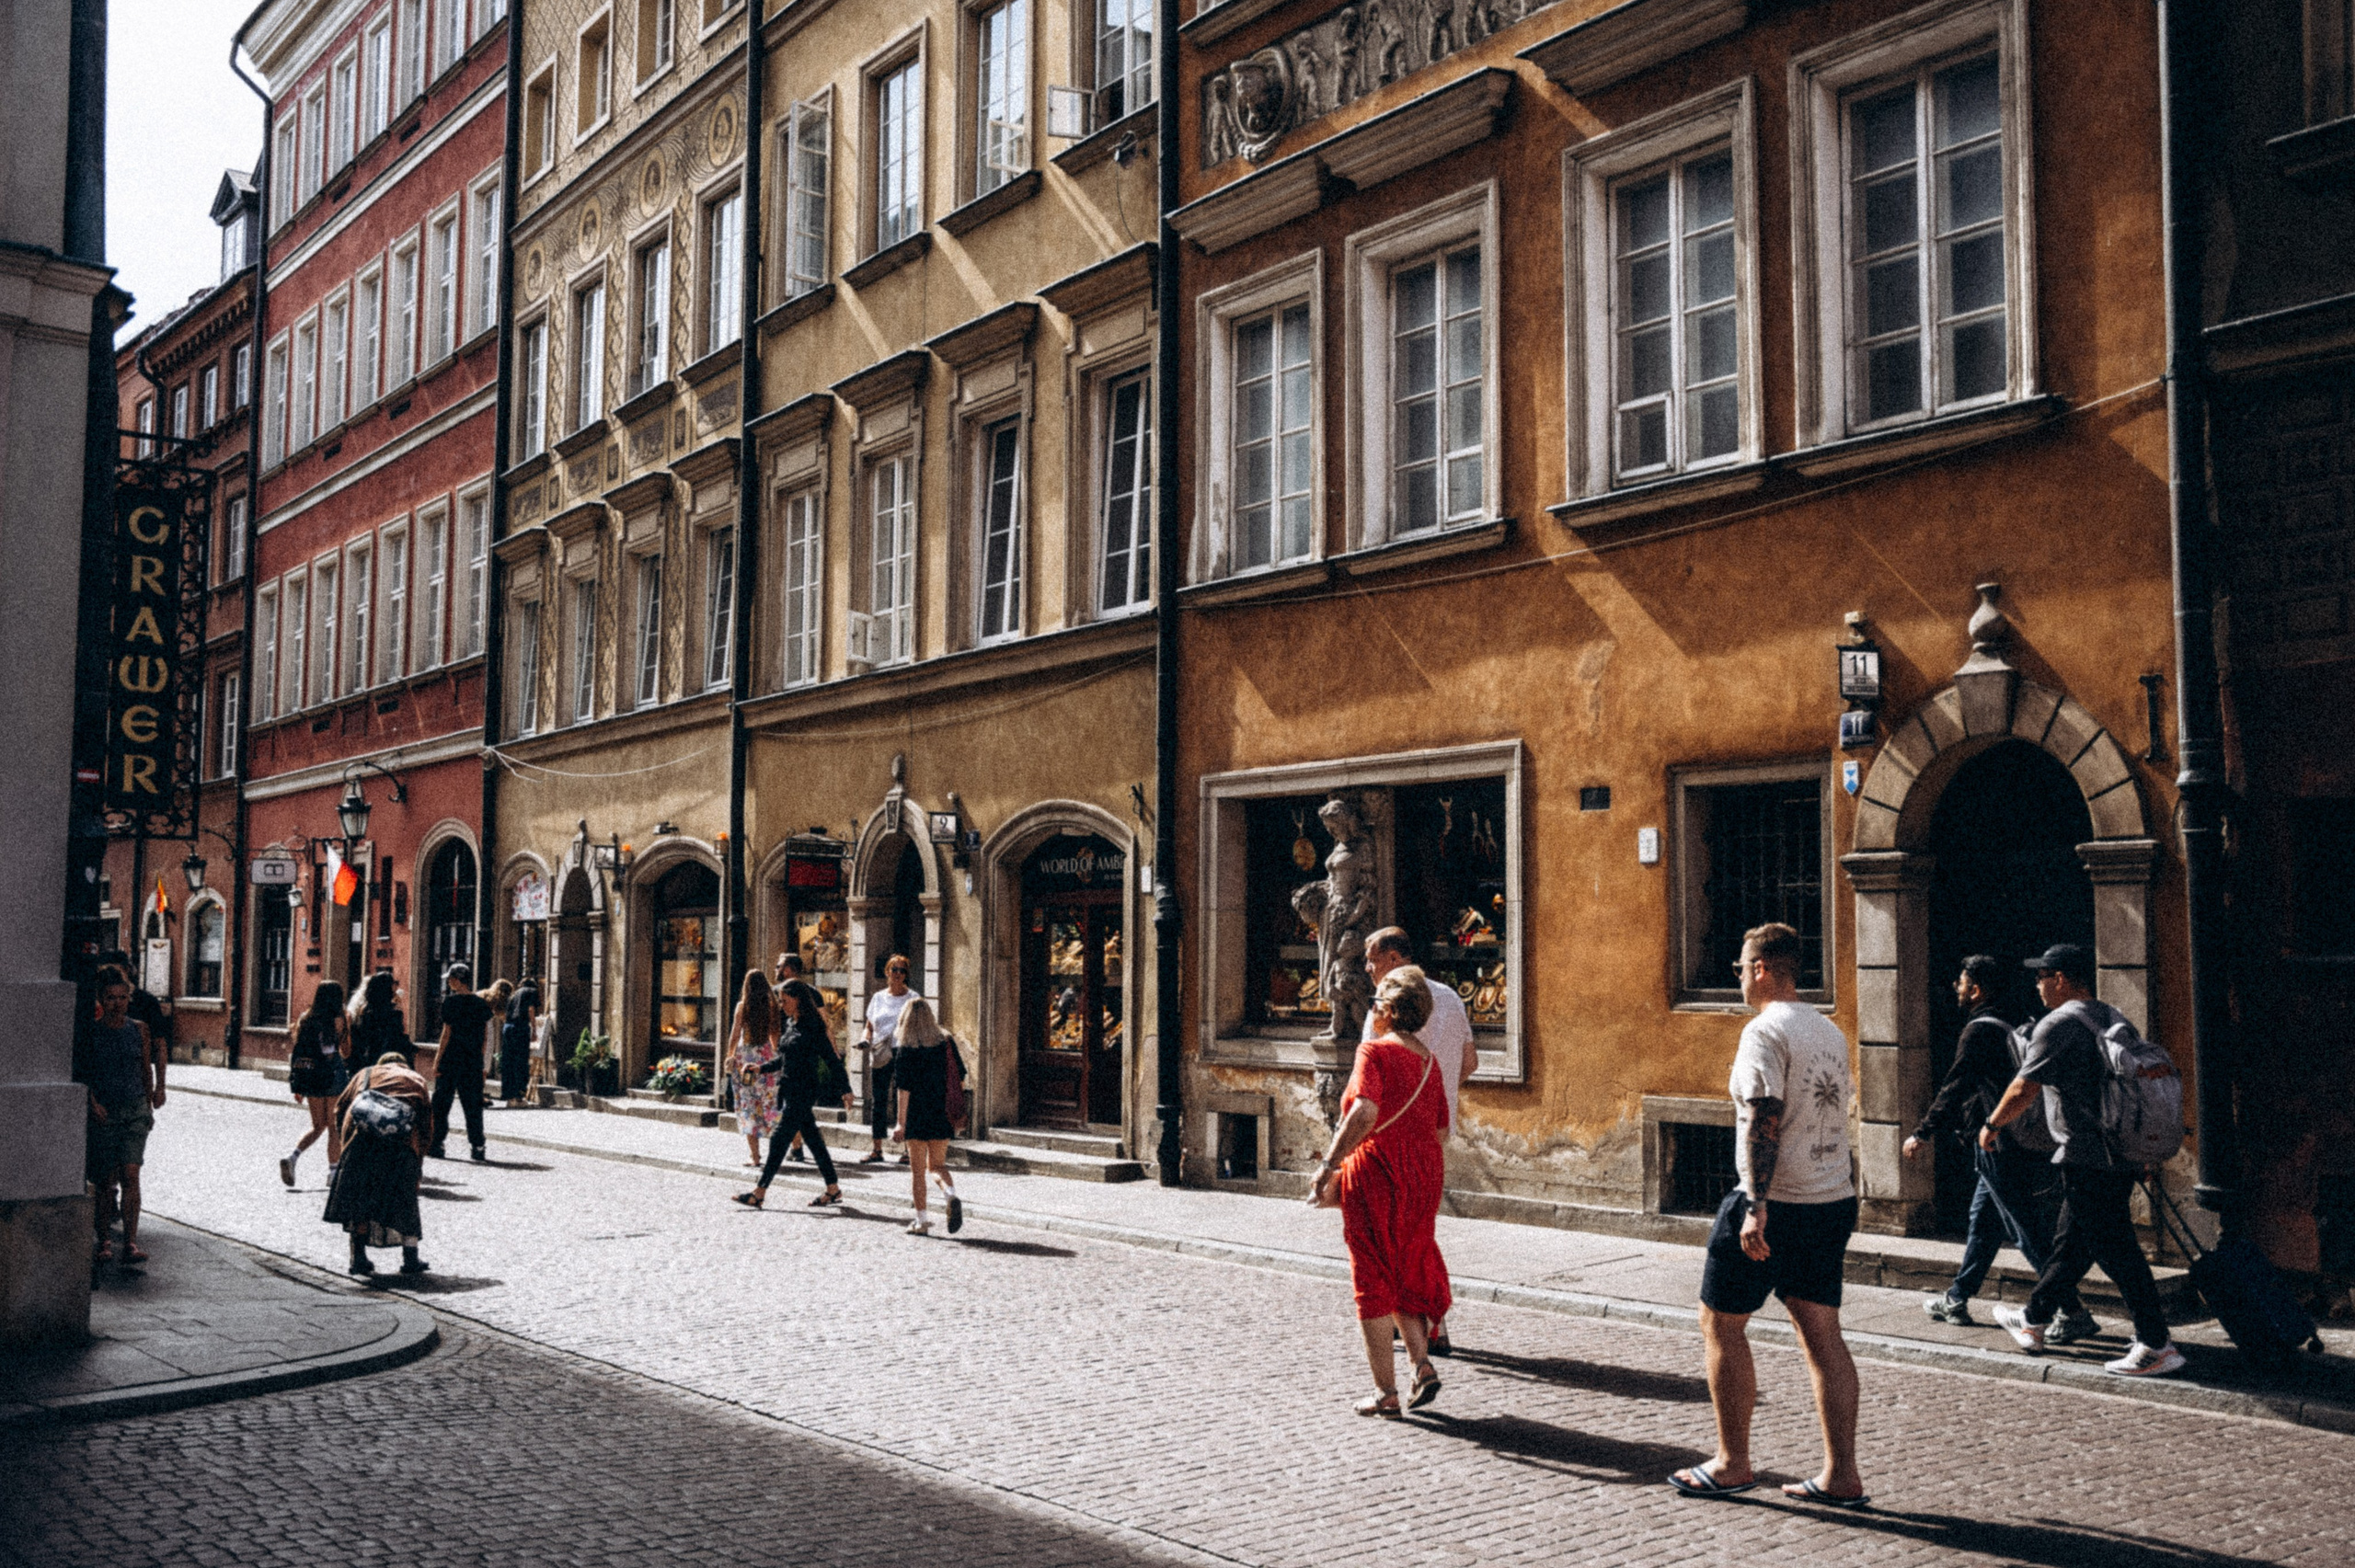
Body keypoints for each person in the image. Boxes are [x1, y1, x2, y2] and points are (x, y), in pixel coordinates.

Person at [1671, 923, 1868, 1508]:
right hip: (1829, 1198)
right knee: (1823, 1335)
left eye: (1739, 967)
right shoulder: (1827, 1029)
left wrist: (1755, 1204)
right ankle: (1842, 1475)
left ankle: (1732, 1463)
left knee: (1721, 1324)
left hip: (1774, 1202)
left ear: (1761, 969)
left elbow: (1764, 1116)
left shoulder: (1764, 1031)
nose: (1736, 978)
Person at [1987, 944, 2186, 1377]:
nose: (2037, 985)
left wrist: (1993, 1124)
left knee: (2117, 1252)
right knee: (2072, 1244)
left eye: (2042, 976)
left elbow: (2024, 1088)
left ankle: (2156, 1344)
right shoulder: (2112, 1016)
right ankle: (2035, 1319)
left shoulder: (2056, 1025)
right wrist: (2142, 1152)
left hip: (2087, 1155)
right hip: (2117, 1153)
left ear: (2060, 978)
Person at [1905, 956, 2095, 1337]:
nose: (1957, 989)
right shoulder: (2017, 1018)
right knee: (1984, 1222)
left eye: (1961, 983)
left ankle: (2071, 1310)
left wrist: (1923, 1132)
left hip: (1999, 1142)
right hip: (2016, 1140)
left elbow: (1954, 1086)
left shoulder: (1978, 1031)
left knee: (2026, 1230)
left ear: (1975, 989)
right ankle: (1957, 1298)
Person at [1308, 967, 1450, 1419]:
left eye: (1375, 1005)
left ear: (1388, 1011)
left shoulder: (1374, 1052)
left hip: (1379, 1168)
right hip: (1424, 1171)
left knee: (1371, 1272)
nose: (1372, 1013)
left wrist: (1331, 1162)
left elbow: (1365, 1111)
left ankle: (1385, 1391)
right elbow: (1442, 1131)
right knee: (1406, 1265)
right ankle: (1421, 1365)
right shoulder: (1430, 1062)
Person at [1361, 926, 1476, 1356]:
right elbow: (1470, 1061)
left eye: (1372, 958)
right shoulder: (1449, 996)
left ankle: (1422, 1327)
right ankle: (1426, 1323)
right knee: (1417, 1228)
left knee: (1390, 1232)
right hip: (1435, 1128)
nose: (1368, 968)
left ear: (1394, 959)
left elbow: (1368, 1080)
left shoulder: (1386, 1007)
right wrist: (1438, 1092)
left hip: (1390, 1132)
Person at [737, 979, 855, 1209]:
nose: (781, 1005)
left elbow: (832, 1059)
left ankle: (759, 1192)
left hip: (805, 1089)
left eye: (784, 1000)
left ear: (797, 998)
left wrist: (846, 1089)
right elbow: (784, 1058)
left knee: (780, 1138)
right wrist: (760, 1068)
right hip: (789, 1089)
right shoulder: (791, 1023)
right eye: (779, 1000)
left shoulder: (813, 1026)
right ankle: (833, 1189)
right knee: (813, 1139)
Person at [76, 966, 164, 1268]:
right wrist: (92, 1102)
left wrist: (151, 1101)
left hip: (134, 1110)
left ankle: (130, 1241)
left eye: (123, 997)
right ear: (102, 999)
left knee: (131, 1175)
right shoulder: (92, 1032)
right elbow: (82, 1071)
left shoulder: (139, 1029)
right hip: (106, 1112)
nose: (118, 1003)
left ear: (130, 998)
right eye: (111, 998)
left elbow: (144, 1068)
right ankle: (103, 1241)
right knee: (106, 1182)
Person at [324, 1051, 432, 1276]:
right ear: (404, 1065)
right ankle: (410, 1259)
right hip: (401, 1146)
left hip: (361, 1143)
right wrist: (418, 1165)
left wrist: (345, 1146)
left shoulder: (365, 1074)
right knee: (406, 1201)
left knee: (360, 1200)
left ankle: (358, 1258)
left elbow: (340, 1109)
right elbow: (426, 1128)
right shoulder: (416, 1080)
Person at [888, 997, 965, 1235]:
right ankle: (950, 1194)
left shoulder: (905, 1049)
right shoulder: (946, 1042)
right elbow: (960, 1075)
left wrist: (900, 1123)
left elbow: (904, 1090)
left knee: (918, 1172)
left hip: (916, 1115)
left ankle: (921, 1221)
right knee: (938, 1166)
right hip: (941, 1112)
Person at [281, 981, 351, 1186]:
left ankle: (292, 1157)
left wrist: (300, 1085)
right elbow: (347, 1052)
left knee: (317, 1125)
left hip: (311, 1076)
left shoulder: (305, 1019)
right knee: (334, 1128)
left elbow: (300, 1052)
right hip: (333, 1075)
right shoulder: (340, 1019)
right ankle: (332, 1172)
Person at [427, 963, 493, 1162]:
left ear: (457, 979)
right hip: (471, 1061)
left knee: (441, 1104)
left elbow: (446, 1034)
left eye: (450, 978)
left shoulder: (450, 1003)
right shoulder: (480, 1004)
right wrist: (481, 1061)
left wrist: (437, 1060)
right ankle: (478, 1145)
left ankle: (437, 1143)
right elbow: (484, 1037)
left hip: (451, 1060)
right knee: (473, 1105)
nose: (448, 982)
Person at [858, 955, 917, 1166]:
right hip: (882, 1051)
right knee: (879, 1100)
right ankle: (877, 1149)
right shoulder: (878, 998)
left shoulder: (913, 998)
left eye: (902, 970)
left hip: (904, 1052)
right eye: (894, 970)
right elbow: (870, 1025)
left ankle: (908, 1150)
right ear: (887, 972)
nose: (898, 974)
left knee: (905, 1101)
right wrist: (865, 1039)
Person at [726, 970, 784, 1168]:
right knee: (769, 1104)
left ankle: (755, 1156)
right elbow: (775, 1036)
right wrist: (776, 1057)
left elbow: (735, 1035)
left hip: (746, 1062)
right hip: (766, 1058)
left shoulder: (743, 1007)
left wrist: (730, 1056)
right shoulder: (772, 1006)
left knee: (748, 1106)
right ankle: (777, 1153)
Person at [351, 971, 412, 1066]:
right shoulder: (394, 1012)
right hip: (388, 1058)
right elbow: (396, 1036)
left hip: (369, 1055)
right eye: (393, 983)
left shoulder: (365, 1009)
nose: (395, 987)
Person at [500, 978, 541, 1104]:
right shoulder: (531, 991)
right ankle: (519, 1096)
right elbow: (531, 1010)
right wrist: (534, 1030)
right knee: (521, 1061)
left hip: (508, 1027)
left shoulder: (513, 995)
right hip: (521, 1027)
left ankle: (508, 1096)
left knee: (508, 1061)